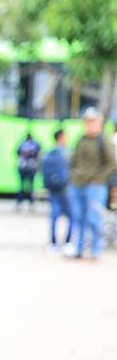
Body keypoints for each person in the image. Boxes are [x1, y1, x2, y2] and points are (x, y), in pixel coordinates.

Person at [68, 107, 116, 260]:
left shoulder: (104, 140)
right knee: (78, 217)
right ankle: (79, 248)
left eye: (93, 121)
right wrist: (73, 174)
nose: (90, 124)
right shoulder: (81, 139)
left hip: (95, 185)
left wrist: (99, 179)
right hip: (78, 184)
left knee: (93, 218)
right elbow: (73, 160)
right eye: (88, 121)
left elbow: (112, 163)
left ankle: (96, 249)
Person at [42, 129, 72, 251]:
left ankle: (54, 243)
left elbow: (43, 171)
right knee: (70, 216)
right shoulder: (68, 152)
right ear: (61, 138)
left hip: (54, 189)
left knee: (55, 216)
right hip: (66, 189)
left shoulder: (49, 153)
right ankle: (67, 243)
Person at [16, 132, 41, 211]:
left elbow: (17, 152)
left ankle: (19, 203)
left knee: (21, 186)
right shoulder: (35, 144)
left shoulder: (22, 144)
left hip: (22, 167)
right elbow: (38, 153)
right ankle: (31, 203)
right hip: (31, 168)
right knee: (31, 187)